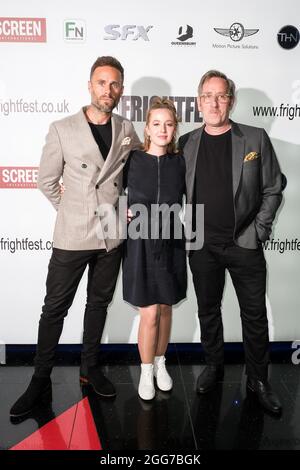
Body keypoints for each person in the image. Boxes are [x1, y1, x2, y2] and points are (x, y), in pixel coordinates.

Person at [10, 56, 140, 417]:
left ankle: (90, 368)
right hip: (73, 235)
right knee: (54, 309)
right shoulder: (62, 128)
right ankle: (40, 378)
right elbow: (46, 181)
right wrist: (70, 210)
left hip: (112, 234)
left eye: (115, 84)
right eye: (102, 82)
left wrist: (128, 205)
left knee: (98, 304)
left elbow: (136, 174)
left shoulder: (127, 128)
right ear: (89, 85)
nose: (108, 90)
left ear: (121, 90)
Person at [178, 70, 283, 415]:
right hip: (203, 246)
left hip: (244, 245)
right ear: (198, 101)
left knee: (254, 315)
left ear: (231, 101)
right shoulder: (187, 142)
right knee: (208, 311)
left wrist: (258, 231)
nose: (214, 102)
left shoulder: (254, 139)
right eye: (207, 95)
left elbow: (272, 189)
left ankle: (259, 379)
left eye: (221, 96)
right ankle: (214, 365)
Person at [123, 98, 187, 400]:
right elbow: (106, 189)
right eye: (157, 123)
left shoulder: (181, 162)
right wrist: (119, 210)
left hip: (172, 240)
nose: (163, 129)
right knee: (149, 313)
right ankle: (146, 369)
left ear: (175, 128)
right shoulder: (132, 160)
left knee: (165, 308)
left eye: (169, 124)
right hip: (141, 244)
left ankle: (161, 364)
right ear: (146, 128)